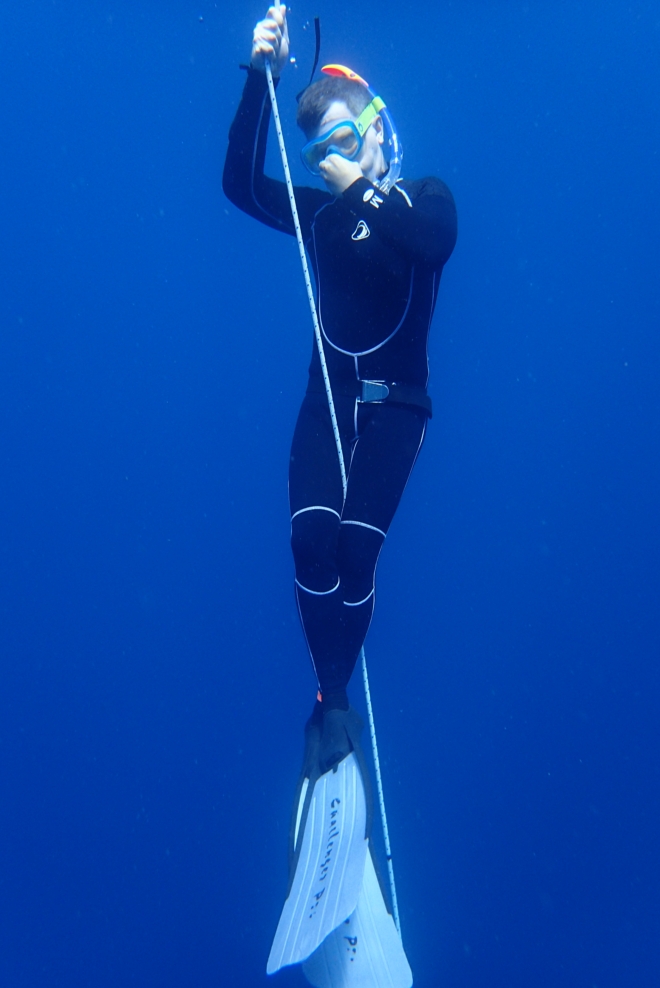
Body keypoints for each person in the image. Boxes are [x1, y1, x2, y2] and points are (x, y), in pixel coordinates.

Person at [223, 5, 457, 769]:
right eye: (321, 151)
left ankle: (335, 700)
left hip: (397, 410)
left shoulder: (424, 197)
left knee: (355, 556)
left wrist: (357, 187)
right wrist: (260, 80)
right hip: (327, 403)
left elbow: (429, 243)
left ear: (379, 129)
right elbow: (239, 186)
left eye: (346, 141)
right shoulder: (323, 215)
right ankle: (330, 703)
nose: (333, 160)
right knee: (308, 544)